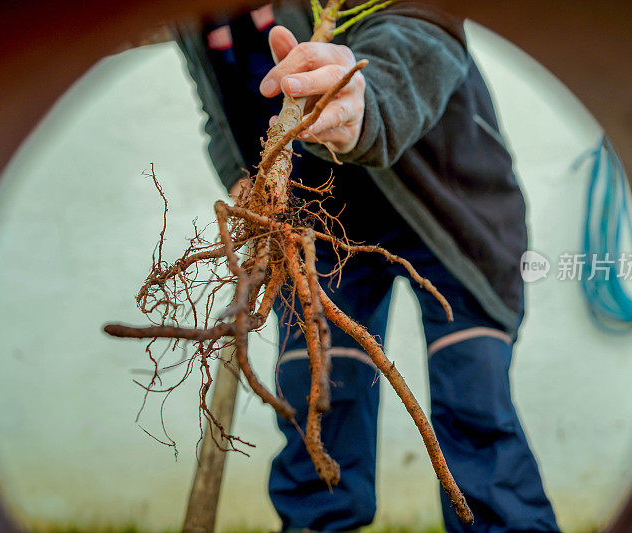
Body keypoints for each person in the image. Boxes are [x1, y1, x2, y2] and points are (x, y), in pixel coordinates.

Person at [175, 2, 560, 531]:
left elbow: (423, 27)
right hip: (312, 230)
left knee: (474, 408)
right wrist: (245, 182)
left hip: (448, 212)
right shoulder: (190, 21)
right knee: (318, 410)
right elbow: (218, 115)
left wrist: (367, 105)